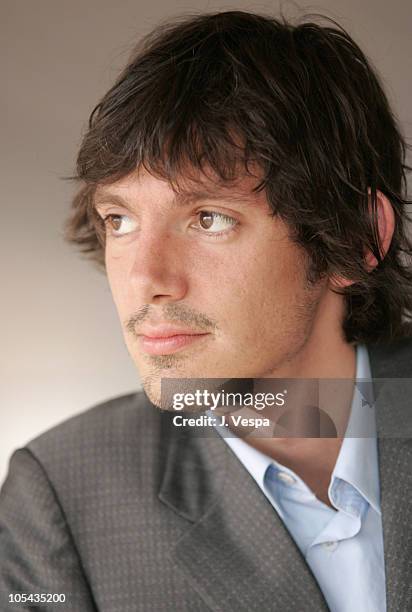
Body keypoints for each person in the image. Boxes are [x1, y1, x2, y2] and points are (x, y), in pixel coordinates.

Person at [1, 10, 411, 612]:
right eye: (121, 221)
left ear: (354, 237)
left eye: (209, 219)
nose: (146, 281)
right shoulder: (59, 495)